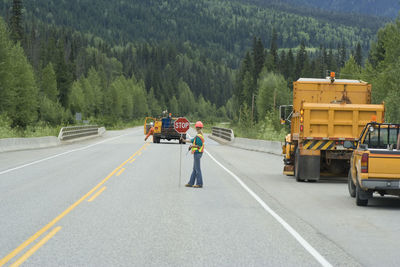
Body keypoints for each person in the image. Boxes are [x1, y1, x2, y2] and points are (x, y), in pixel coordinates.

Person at [181, 121, 205, 188]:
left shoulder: (199, 136)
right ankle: (191, 183)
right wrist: (184, 140)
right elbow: (192, 140)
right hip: (197, 153)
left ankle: (199, 183)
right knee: (194, 169)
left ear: (196, 128)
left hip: (197, 153)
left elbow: (199, 146)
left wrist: (192, 146)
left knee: (197, 169)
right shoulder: (198, 135)